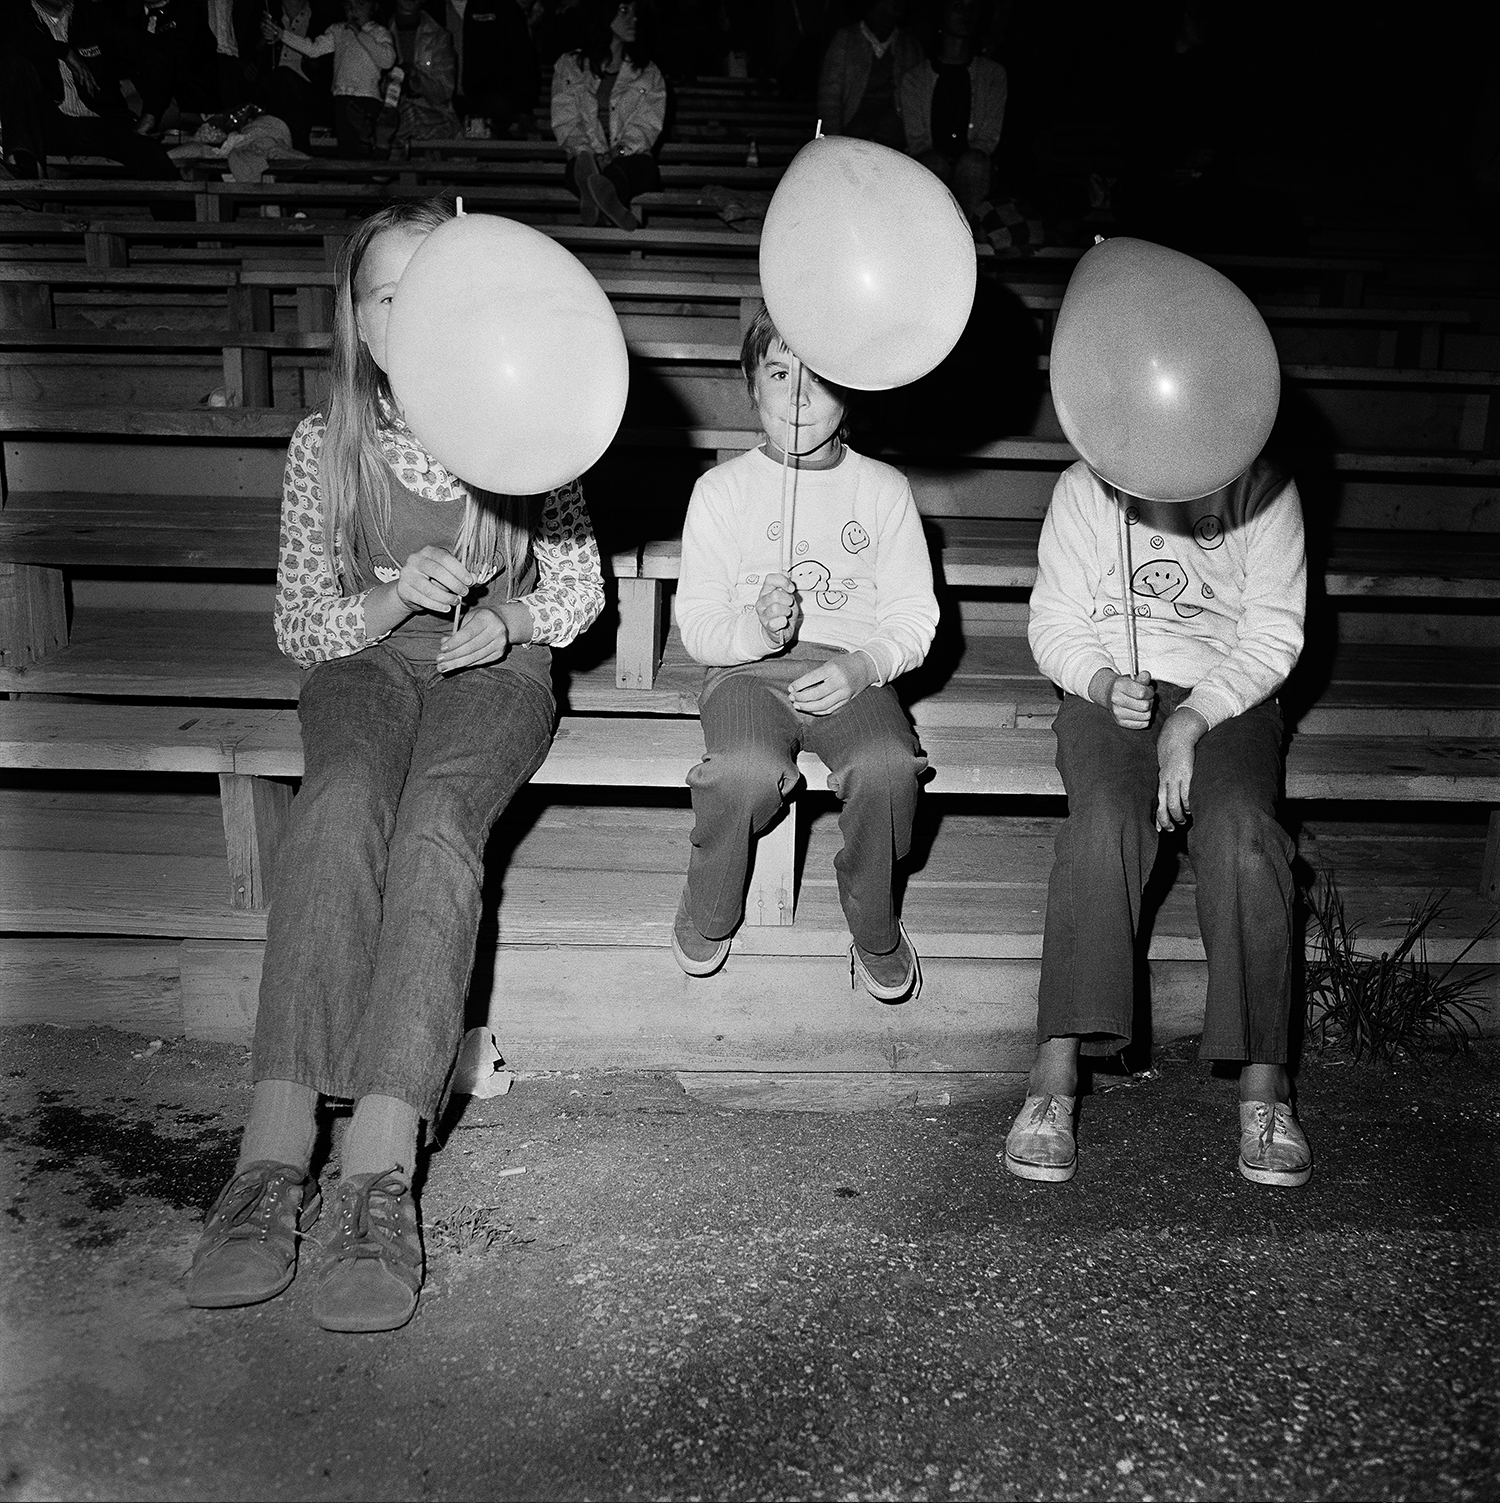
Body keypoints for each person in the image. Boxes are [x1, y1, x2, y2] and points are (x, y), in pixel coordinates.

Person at [184, 199, 605, 1333]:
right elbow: (301, 624)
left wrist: (509, 631)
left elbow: (578, 594)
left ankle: (377, 1175)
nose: (413, 314)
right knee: (342, 806)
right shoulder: (328, 445)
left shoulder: (530, 418)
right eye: (389, 295)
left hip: (491, 678)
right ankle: (270, 1162)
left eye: (437, 291)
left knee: (433, 828)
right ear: (361, 322)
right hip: (365, 665)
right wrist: (384, 597)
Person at [1007, 453, 1313, 1189]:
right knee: (1103, 821)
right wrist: (1105, 681)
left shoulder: (1263, 483)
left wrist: (1192, 722)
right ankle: (1053, 1076)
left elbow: (1274, 633)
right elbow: (1054, 620)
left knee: (1245, 832)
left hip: (1228, 696)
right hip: (1110, 692)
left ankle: (1265, 1087)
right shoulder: (1085, 484)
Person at [672, 306, 938, 1002]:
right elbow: (698, 627)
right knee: (743, 772)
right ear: (750, 386)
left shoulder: (884, 490)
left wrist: (861, 666)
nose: (796, 396)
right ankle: (711, 902)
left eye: (818, 378)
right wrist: (757, 629)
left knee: (887, 769)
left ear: (850, 390)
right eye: (779, 373)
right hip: (745, 675)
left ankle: (875, 917)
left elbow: (916, 616)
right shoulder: (720, 491)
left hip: (851, 673)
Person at [1, 0, 181, 179]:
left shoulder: (94, 15)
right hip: (49, 126)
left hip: (101, 121)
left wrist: (150, 115)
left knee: (150, 153)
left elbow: (155, 56)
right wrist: (61, 50)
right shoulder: (15, 15)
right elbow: (11, 45)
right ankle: (24, 166)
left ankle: (178, 205)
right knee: (15, 64)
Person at [550, 0, 665, 231]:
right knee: (577, 168)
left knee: (641, 168)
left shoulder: (648, 71)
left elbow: (647, 124)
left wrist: (619, 151)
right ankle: (599, 192)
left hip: (629, 158)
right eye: (624, 10)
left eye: (635, 12)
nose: (633, 18)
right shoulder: (570, 65)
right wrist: (587, 151)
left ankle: (603, 196)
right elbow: (565, 118)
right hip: (586, 153)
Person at [900, 0, 1006, 222]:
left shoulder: (992, 75)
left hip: (974, 169)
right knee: (933, 164)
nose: (966, 14)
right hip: (931, 164)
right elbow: (917, 140)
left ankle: (966, 238)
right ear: (942, 15)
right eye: (958, 7)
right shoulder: (915, 78)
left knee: (973, 166)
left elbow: (988, 137)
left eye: (972, 8)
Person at [265, 0, 396, 158]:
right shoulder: (338, 30)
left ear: (373, 7)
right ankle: (357, 173)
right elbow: (313, 49)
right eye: (349, 6)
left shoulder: (378, 32)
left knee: (366, 150)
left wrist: (360, 34)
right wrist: (282, 35)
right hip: (342, 99)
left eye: (360, 5)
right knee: (348, 151)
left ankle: (376, 147)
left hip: (367, 97)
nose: (354, 11)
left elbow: (387, 60)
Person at [816, 0, 920, 149]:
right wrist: (834, 144)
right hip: (851, 143)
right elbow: (829, 100)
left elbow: (917, 105)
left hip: (894, 147)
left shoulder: (910, 47)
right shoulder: (846, 39)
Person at [112, 0, 221, 138]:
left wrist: (135, 83)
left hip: (184, 99)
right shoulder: (132, 18)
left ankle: (196, 119)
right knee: (108, 102)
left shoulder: (187, 11)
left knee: (121, 114)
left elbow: (178, 63)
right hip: (151, 95)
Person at [447, 0, 536, 139]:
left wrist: (525, 107)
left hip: (492, 105)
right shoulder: (433, 8)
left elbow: (522, 57)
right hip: (442, 104)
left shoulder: (501, 6)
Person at [391, 0, 462, 145]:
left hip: (433, 119)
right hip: (392, 119)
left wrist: (415, 79)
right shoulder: (377, 34)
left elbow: (444, 91)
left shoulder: (439, 36)